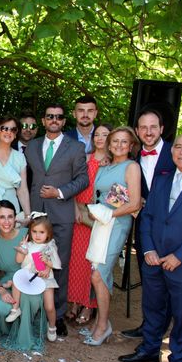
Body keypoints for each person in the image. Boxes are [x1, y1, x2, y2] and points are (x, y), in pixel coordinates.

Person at [118, 133, 182, 362]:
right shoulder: (161, 181)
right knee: (152, 306)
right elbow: (148, 217)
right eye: (178, 147)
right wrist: (148, 249)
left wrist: (180, 256)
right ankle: (150, 349)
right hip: (153, 259)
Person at [24, 103, 88, 337]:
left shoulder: (76, 148)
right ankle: (33, 310)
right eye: (49, 116)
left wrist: (59, 192)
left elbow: (83, 179)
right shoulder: (31, 146)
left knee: (58, 264)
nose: (54, 120)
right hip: (37, 214)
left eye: (58, 117)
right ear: (43, 120)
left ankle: (57, 315)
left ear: (63, 122)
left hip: (61, 213)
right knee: (32, 261)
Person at [82, 126, 141, 346]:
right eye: (115, 141)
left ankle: (103, 326)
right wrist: (99, 211)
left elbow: (135, 203)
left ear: (131, 145)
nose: (119, 145)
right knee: (97, 270)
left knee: (99, 274)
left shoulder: (131, 167)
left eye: (124, 142)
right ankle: (100, 323)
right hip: (101, 221)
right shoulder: (105, 167)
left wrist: (108, 213)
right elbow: (104, 196)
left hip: (116, 223)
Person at [121, 108, 175, 339]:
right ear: (137, 131)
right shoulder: (133, 159)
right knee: (149, 278)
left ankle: (169, 328)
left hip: (174, 228)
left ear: (162, 129)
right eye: (143, 127)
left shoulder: (177, 153)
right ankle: (150, 326)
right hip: (145, 226)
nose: (148, 131)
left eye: (153, 127)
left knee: (172, 279)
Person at [0, 200, 46, 351]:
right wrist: (1, 290)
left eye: (10, 217)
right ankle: (8, 330)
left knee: (30, 298)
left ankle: (24, 331)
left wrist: (43, 269)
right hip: (6, 281)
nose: (6, 222)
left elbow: (41, 258)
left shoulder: (27, 234)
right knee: (0, 305)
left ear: (15, 218)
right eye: (2, 217)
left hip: (31, 277)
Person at [67, 124, 112, 325]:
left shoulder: (112, 163)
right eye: (98, 135)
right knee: (77, 261)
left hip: (100, 217)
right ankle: (75, 302)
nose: (100, 138)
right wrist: (76, 209)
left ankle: (89, 305)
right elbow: (76, 185)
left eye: (105, 135)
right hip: (81, 214)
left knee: (93, 263)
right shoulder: (85, 159)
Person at [8, 214, 62, 342]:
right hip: (29, 276)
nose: (37, 235)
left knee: (49, 306)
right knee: (17, 281)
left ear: (48, 233)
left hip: (45, 278)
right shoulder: (28, 245)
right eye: (34, 232)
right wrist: (21, 249)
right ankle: (15, 309)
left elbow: (56, 264)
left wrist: (47, 264)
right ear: (30, 231)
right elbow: (18, 261)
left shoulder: (49, 246)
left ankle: (52, 326)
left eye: (41, 232)